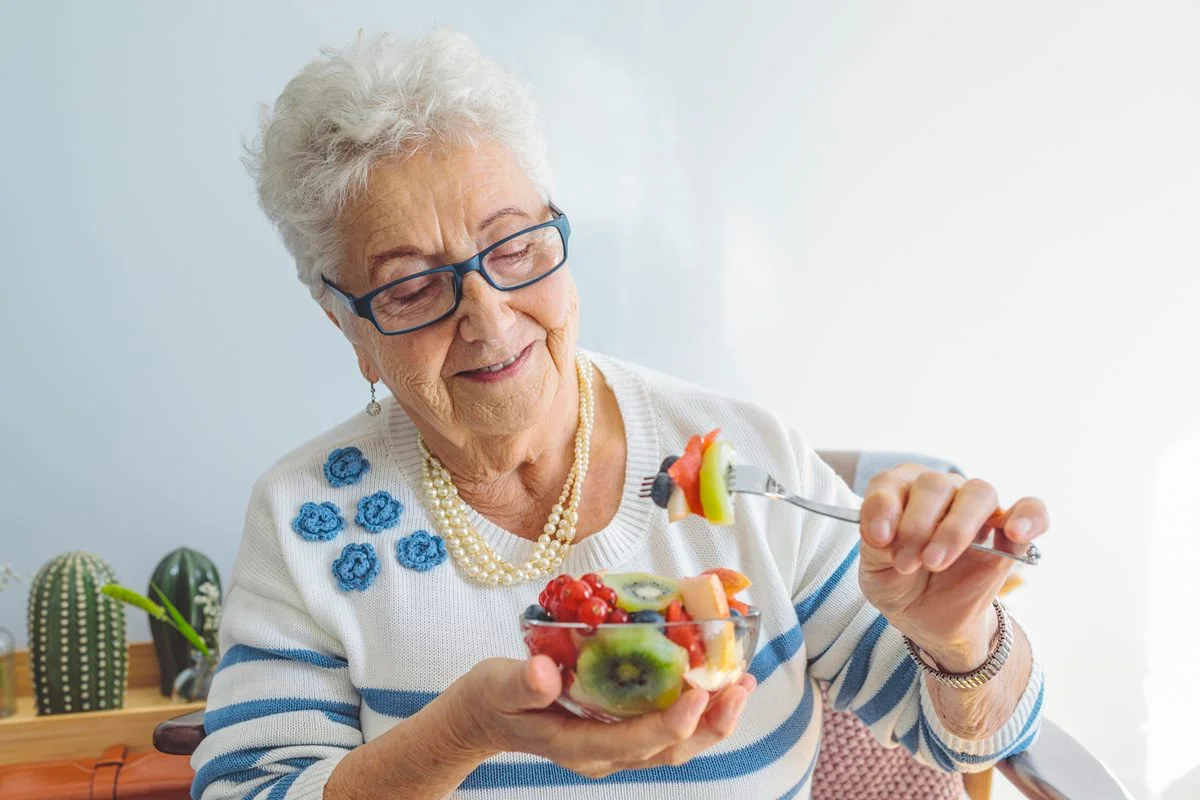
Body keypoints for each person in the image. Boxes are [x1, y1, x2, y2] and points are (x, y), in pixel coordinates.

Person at [193, 29, 1046, 800]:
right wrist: (463, 733)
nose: (489, 317)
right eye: (414, 285)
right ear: (347, 324)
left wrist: (960, 639)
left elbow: (977, 734)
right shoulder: (305, 521)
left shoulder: (747, 460)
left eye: (516, 246)